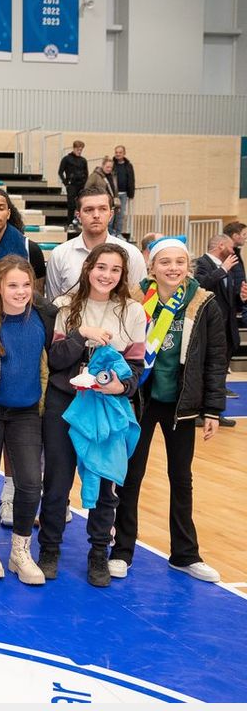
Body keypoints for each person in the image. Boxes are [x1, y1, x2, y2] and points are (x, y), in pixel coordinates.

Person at [111, 237, 227, 583]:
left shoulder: (203, 303)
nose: (173, 268)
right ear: (152, 267)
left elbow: (215, 359)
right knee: (131, 476)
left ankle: (185, 554)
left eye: (180, 262)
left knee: (181, 478)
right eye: (165, 262)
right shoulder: (133, 299)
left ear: (188, 266)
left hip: (181, 403)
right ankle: (122, 550)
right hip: (141, 400)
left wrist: (212, 409)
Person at [39, 243, 147, 587]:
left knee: (104, 481)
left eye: (115, 269)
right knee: (57, 482)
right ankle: (49, 549)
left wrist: (120, 386)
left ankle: (99, 551)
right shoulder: (65, 305)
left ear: (123, 275)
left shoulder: (133, 311)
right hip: (65, 404)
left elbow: (135, 367)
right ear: (88, 268)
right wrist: (81, 334)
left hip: (106, 407)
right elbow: (57, 359)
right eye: (101, 267)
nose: (107, 275)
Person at [0, 256, 55, 584]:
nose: (21, 291)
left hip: (26, 412)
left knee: (30, 482)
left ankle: (20, 551)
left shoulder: (44, 316)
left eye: (26, 285)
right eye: (13, 285)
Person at [45, 187, 147, 301]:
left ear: (111, 215)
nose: (96, 215)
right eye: (89, 210)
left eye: (103, 209)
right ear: (78, 215)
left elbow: (138, 300)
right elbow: (53, 304)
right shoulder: (59, 255)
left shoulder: (131, 254)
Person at [196, 233, 242, 426]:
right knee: (204, 371)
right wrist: (222, 270)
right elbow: (200, 286)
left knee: (220, 372)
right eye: (231, 247)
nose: (233, 251)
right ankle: (198, 412)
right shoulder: (202, 263)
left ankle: (214, 412)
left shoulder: (227, 268)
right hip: (208, 328)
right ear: (221, 245)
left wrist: (241, 298)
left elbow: (229, 300)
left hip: (226, 329)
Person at [58, 140, 89, 226]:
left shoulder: (83, 160)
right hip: (71, 184)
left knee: (80, 204)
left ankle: (79, 221)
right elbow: (60, 172)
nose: (79, 151)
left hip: (81, 185)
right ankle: (69, 222)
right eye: (78, 150)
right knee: (71, 204)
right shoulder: (67, 159)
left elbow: (86, 173)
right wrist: (66, 183)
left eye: (81, 150)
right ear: (74, 148)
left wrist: (84, 182)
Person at [84, 157, 118, 231]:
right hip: (99, 202)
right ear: (102, 166)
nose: (109, 169)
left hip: (110, 202)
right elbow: (87, 188)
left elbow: (115, 189)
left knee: (111, 221)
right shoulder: (95, 175)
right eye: (107, 167)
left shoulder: (113, 176)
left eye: (111, 167)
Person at [111, 145, 136, 240]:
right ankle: (111, 232)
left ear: (124, 153)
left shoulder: (128, 166)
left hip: (124, 194)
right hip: (113, 194)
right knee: (111, 214)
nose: (118, 154)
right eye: (116, 152)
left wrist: (131, 193)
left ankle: (118, 233)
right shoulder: (112, 165)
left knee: (120, 215)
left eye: (120, 152)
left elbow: (131, 179)